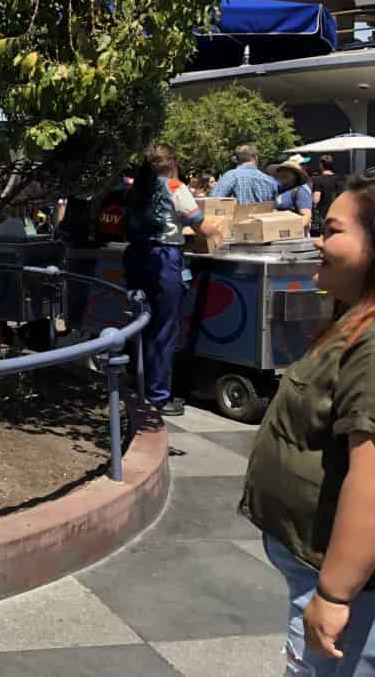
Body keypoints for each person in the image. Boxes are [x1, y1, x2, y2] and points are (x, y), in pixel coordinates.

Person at [239, 175, 375, 676]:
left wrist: (335, 595)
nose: (318, 240)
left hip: (345, 592)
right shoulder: (356, 317)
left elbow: (372, 477)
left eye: (333, 230)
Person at [124, 144, 222, 417]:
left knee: (140, 323)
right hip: (165, 259)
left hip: (135, 257)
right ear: (173, 163)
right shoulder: (176, 187)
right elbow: (202, 226)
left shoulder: (136, 190)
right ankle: (159, 395)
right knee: (164, 328)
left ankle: (138, 384)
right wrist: (221, 227)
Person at [212, 143, 279, 205]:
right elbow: (274, 207)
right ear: (256, 158)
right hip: (262, 217)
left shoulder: (231, 176)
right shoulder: (270, 181)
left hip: (238, 217)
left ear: (236, 159)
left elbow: (213, 201)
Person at [270, 158, 314, 237]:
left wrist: (292, 229)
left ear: (295, 175)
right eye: (281, 170)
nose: (283, 173)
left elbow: (306, 216)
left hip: (295, 238)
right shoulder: (278, 191)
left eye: (287, 171)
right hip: (279, 236)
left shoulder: (300, 191)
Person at [314, 154, 343, 236]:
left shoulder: (318, 179)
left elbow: (316, 199)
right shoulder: (339, 178)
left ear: (321, 165)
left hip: (323, 212)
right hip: (337, 210)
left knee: (325, 234)